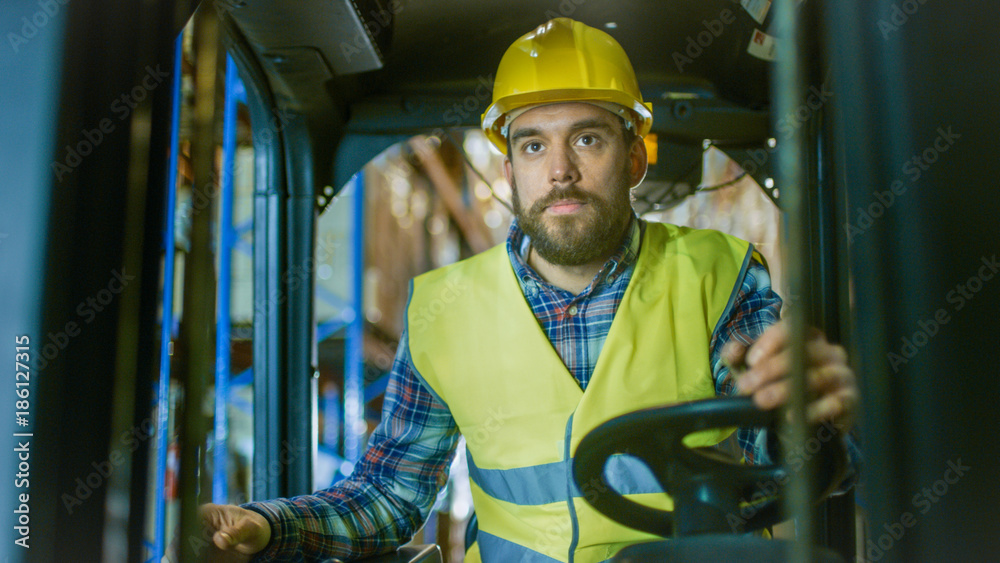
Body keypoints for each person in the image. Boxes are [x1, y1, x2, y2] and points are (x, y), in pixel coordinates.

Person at [201, 17, 858, 563]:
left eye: (589, 138)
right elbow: (389, 494)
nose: (561, 171)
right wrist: (265, 522)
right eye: (534, 145)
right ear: (508, 167)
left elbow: (773, 444)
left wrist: (806, 416)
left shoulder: (717, 273)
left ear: (634, 157)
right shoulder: (443, 310)